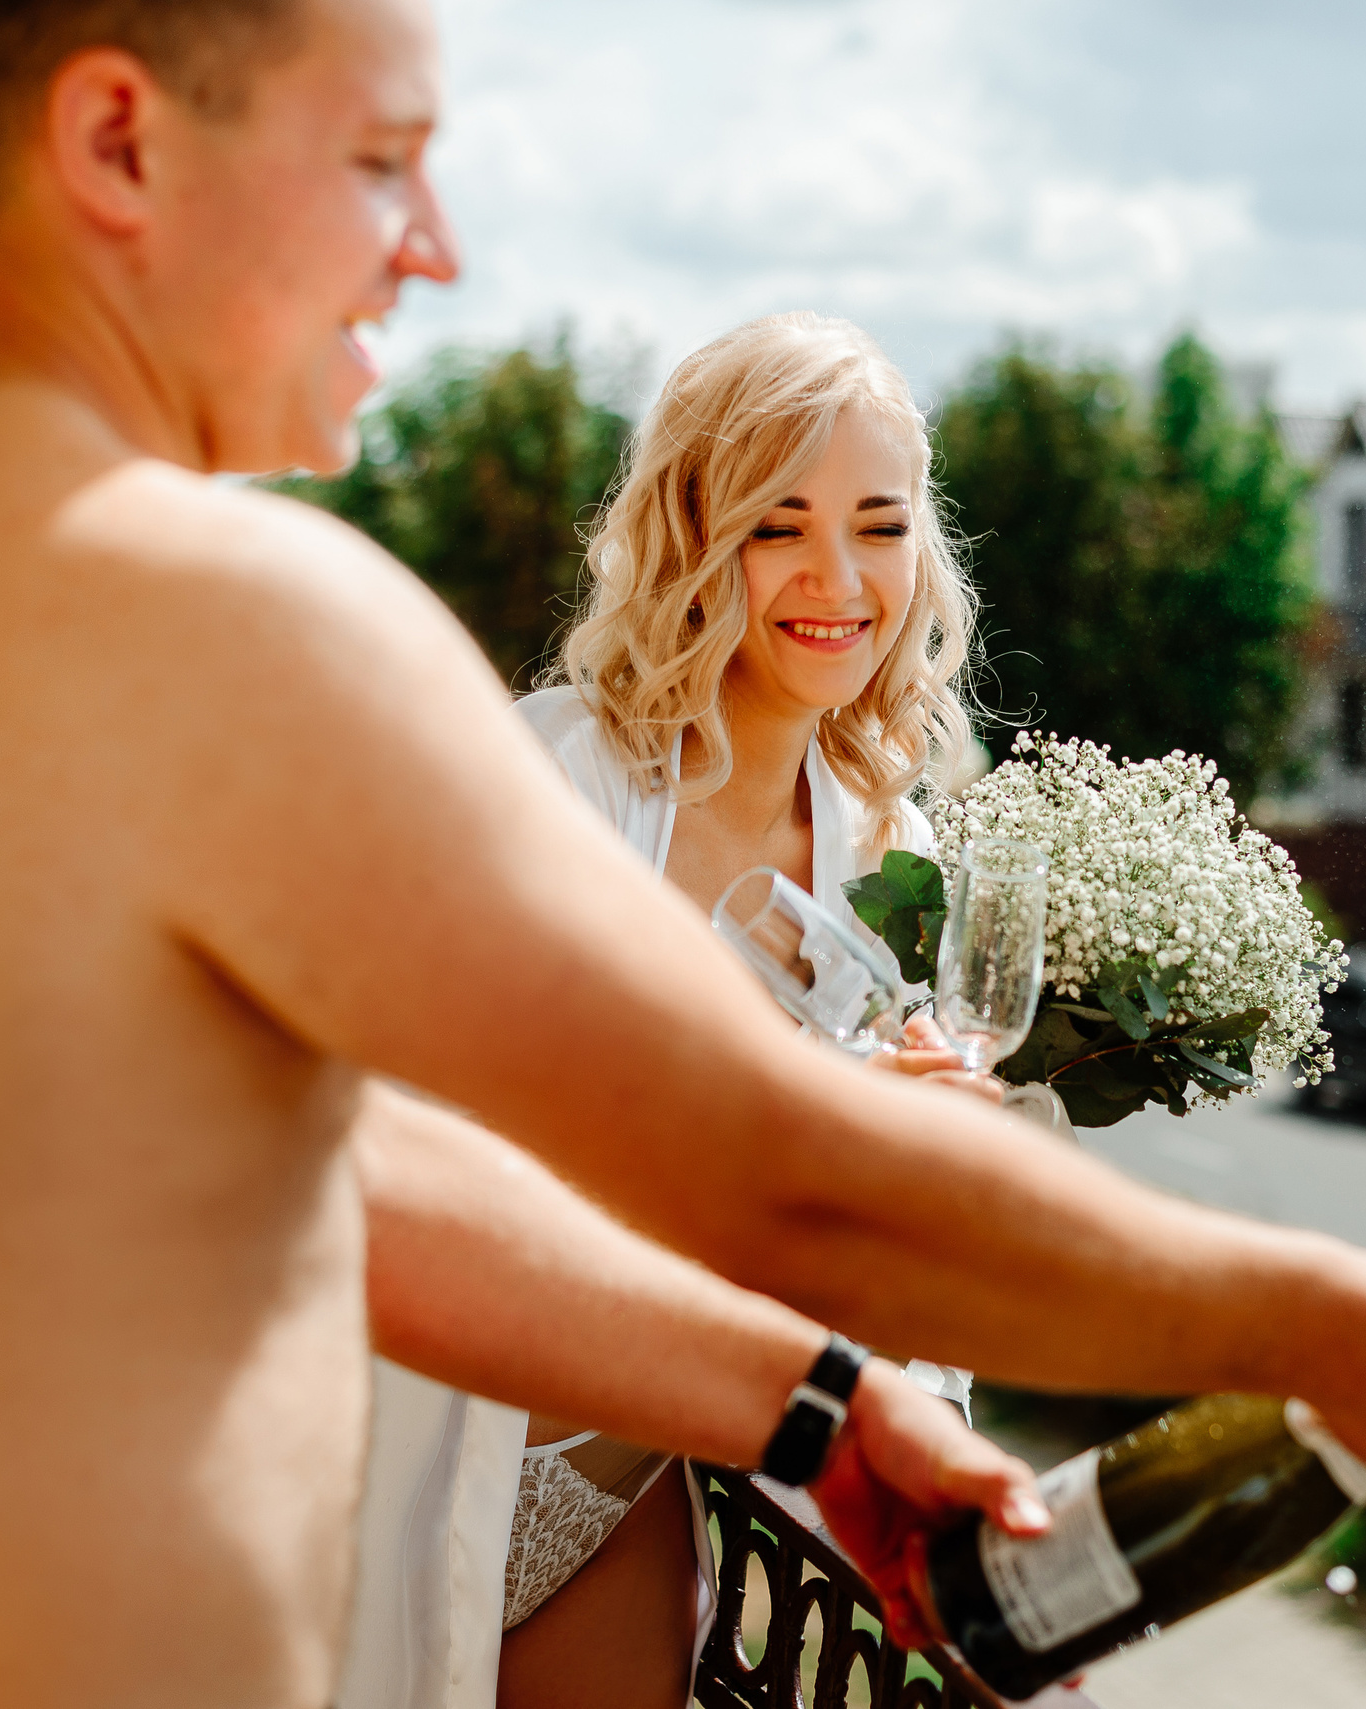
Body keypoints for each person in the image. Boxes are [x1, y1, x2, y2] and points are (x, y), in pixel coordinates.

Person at [0, 5, 1366, 1709]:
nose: (432, 249)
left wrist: (813, 1411)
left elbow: (351, 1185)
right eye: (382, 160)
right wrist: (1342, 1326)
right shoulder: (212, 618)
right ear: (114, 138)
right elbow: (785, 1181)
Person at [475, 311, 987, 1707]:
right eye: (779, 526)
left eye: (878, 526)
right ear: (697, 535)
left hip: (664, 1457)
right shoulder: (556, 775)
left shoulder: (898, 847)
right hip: (476, 1429)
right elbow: (477, 1153)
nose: (839, 578)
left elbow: (894, 1242)